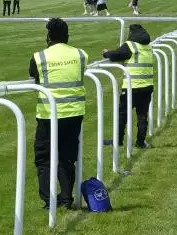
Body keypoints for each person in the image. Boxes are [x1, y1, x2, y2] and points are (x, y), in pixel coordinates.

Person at [28, 18, 88, 210]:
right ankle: (66, 198)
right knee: (67, 156)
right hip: (74, 113)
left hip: (48, 115)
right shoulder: (80, 54)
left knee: (44, 158)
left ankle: (48, 200)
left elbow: (34, 77)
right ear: (67, 36)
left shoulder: (39, 57)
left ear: (48, 37)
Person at [102, 23, 154, 149]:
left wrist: (106, 53)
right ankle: (140, 142)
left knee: (122, 114)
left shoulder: (131, 45)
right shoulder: (148, 46)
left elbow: (116, 55)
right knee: (142, 116)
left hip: (132, 87)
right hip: (147, 87)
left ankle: (118, 140)